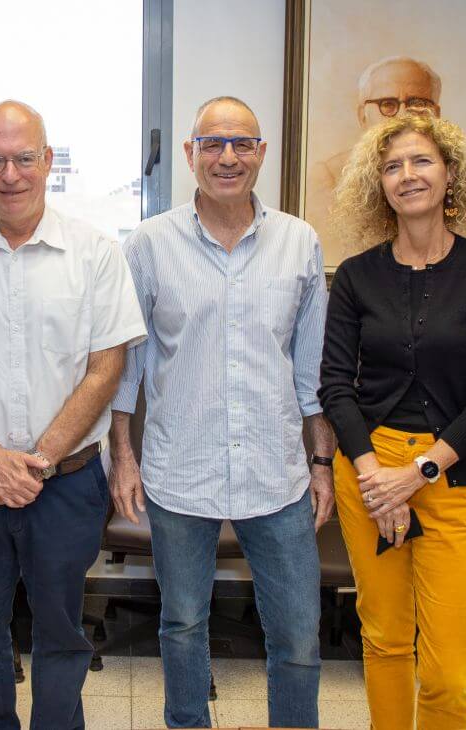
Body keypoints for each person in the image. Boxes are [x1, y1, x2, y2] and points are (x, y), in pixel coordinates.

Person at [109, 96, 334, 729]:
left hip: (278, 472)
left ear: (262, 153)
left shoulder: (299, 243)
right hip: (179, 471)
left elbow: (313, 371)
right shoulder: (150, 245)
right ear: (189, 154)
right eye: (212, 144)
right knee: (182, 624)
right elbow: (127, 367)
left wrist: (322, 464)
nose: (227, 157)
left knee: (297, 637)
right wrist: (122, 456)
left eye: (241, 143)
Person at [0, 100, 146, 730]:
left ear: (48, 161)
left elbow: (106, 370)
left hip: (69, 481)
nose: (10, 174)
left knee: (63, 634)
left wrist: (38, 460)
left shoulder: (95, 253)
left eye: (24, 158)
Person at [319, 113, 466, 729]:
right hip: (368, 470)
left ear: (451, 173)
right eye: (392, 166)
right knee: (383, 639)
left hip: (455, 476)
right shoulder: (356, 275)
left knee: (448, 670)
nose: (407, 175)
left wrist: (419, 471)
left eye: (421, 161)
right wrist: (377, 475)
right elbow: (335, 384)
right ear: (378, 185)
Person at [308, 56, 442, 266]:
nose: (402, 115)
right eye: (387, 104)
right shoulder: (328, 176)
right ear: (362, 116)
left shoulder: (448, 177)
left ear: (436, 114)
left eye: (416, 103)